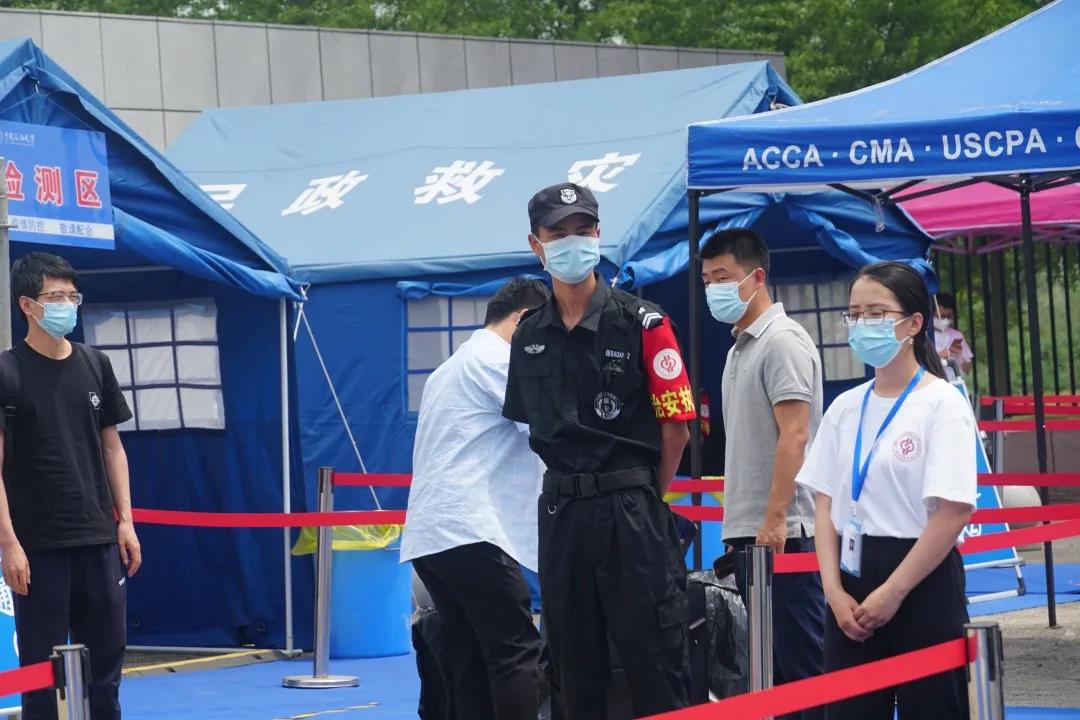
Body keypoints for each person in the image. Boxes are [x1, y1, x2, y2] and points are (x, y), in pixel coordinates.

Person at [503, 182, 694, 719]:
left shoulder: (643, 323)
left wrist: (644, 494)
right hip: (562, 513)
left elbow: (676, 428)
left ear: (598, 235)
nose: (572, 242)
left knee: (655, 657)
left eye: (582, 231)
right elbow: (531, 426)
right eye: (557, 234)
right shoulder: (528, 335)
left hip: (631, 508)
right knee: (571, 663)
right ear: (536, 246)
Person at [796, 261, 977, 719]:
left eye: (876, 313)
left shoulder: (942, 403)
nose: (862, 325)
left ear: (914, 323)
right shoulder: (844, 407)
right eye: (855, 314)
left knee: (933, 709)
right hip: (851, 581)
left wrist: (894, 591)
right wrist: (833, 591)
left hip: (921, 578)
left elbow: (953, 511)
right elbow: (824, 504)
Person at [401, 277, 551, 720]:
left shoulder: (450, 367)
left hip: (433, 536)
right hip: (471, 530)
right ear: (524, 319)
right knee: (515, 652)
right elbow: (550, 429)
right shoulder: (499, 360)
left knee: (469, 655)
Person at [0, 253, 141, 720]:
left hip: (99, 538)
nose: (67, 305)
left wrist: (126, 521)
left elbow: (112, 448)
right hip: (39, 546)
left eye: (72, 296)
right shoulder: (8, 372)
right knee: (41, 673)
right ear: (27, 304)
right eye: (56, 296)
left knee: (106, 667)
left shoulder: (95, 363)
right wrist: (9, 544)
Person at [700, 229, 825, 720]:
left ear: (756, 277)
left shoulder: (782, 341)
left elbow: (795, 433)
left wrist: (774, 519)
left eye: (722, 277)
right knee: (770, 669)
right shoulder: (739, 347)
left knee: (802, 666)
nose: (713, 288)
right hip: (751, 533)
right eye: (707, 280)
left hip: (785, 534)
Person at [934, 292, 973, 376]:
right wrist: (940, 355)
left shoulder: (957, 336)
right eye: (941, 316)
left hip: (955, 380)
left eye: (948, 316)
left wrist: (962, 356)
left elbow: (967, 370)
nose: (945, 320)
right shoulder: (925, 335)